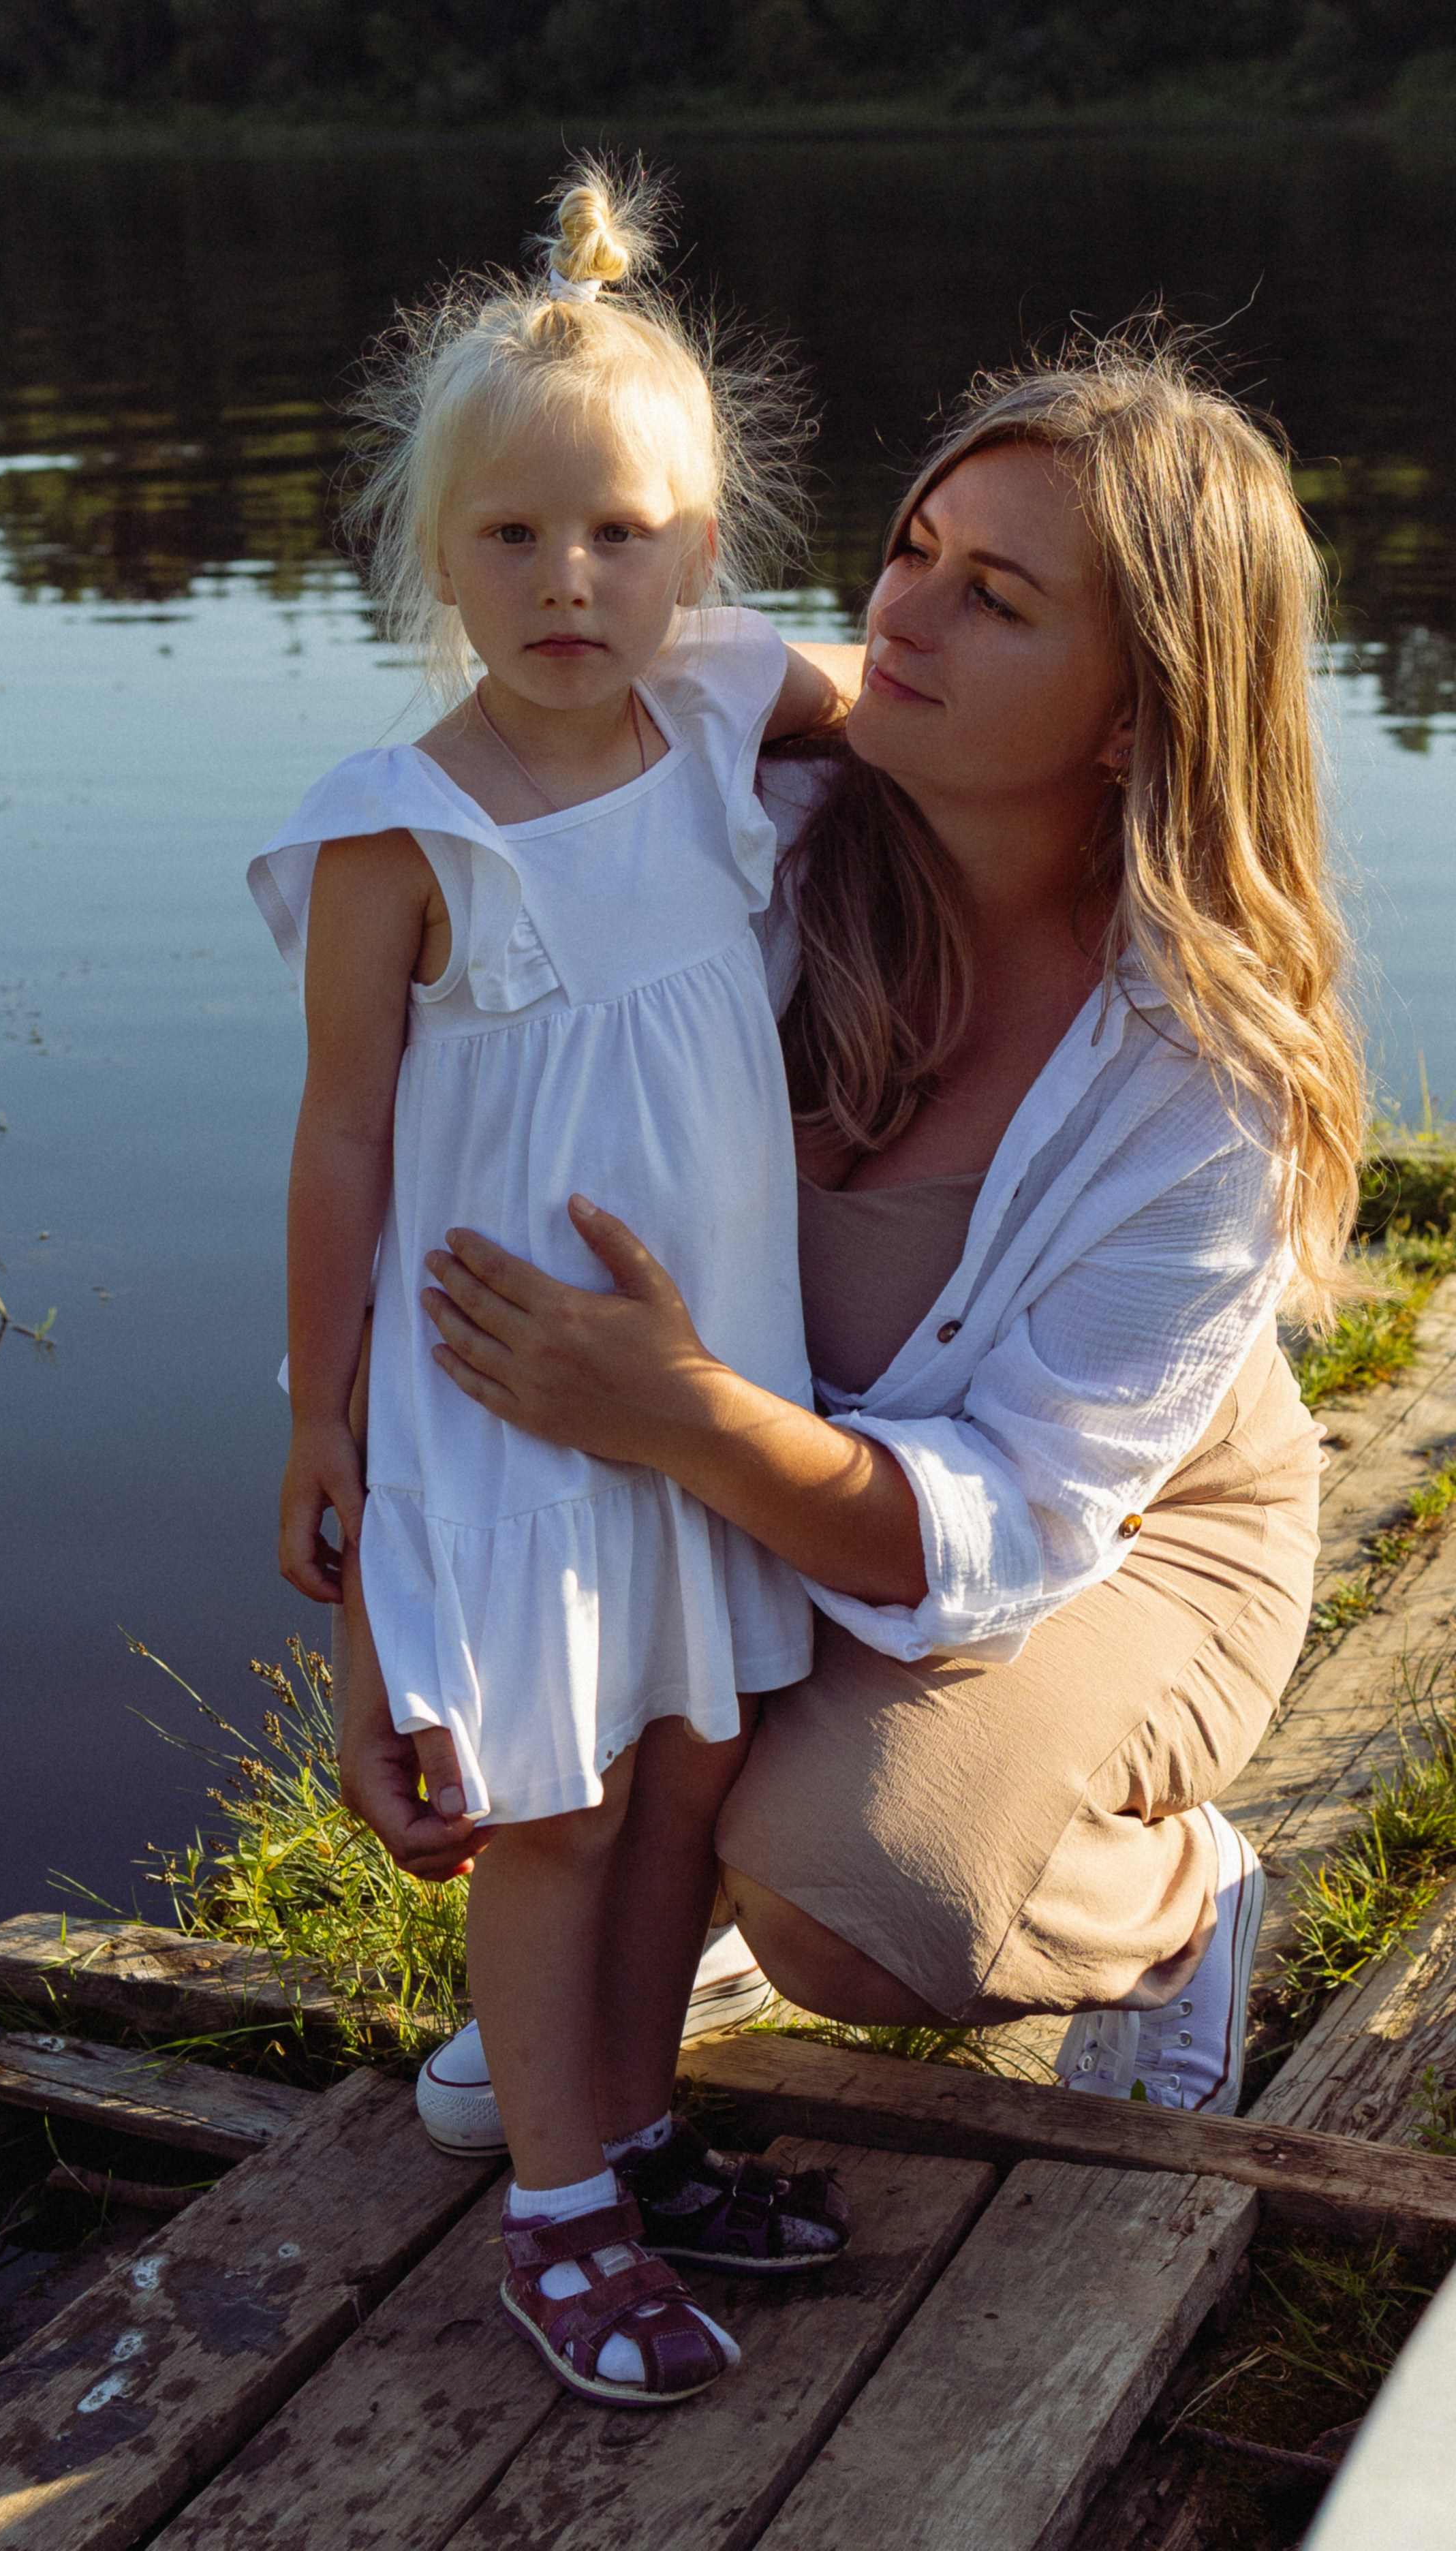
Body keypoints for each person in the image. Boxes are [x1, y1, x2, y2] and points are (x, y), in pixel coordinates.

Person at [399, 334, 1364, 2133]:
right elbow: (614, 652)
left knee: (863, 1895)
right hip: (759, 1479)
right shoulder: (752, 832)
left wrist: (683, 1415)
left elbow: (1016, 1522)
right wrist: (417, 1622)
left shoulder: (1206, 1080)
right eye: (912, 550)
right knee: (518, 2050)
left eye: (994, 598)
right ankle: (669, 1882)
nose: (905, 612)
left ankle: (1176, 1907)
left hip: (1122, 1539)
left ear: (1146, 709)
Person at [251, 164, 854, 2411]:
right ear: (438, 557)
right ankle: (555, 2208)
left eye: (621, 534)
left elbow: (927, 704)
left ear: (704, 552)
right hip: (500, 1413)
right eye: (511, 537)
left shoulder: (719, 723)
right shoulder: (402, 833)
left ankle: (636, 2133)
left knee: (691, 1769)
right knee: (557, 1806)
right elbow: (336, 1139)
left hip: (706, 1392)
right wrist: (317, 1415)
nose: (568, 579)